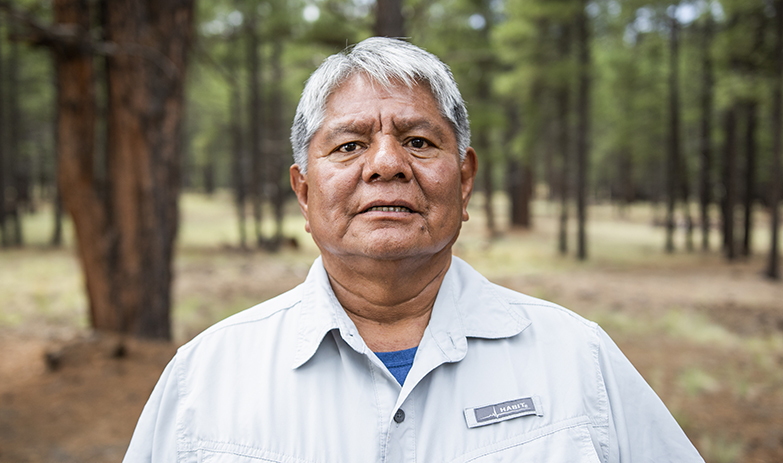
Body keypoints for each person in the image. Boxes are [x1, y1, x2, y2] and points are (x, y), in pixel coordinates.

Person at [124, 37, 704, 463]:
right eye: (349, 145)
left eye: (419, 141)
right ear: (304, 192)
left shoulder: (578, 360)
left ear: (465, 180)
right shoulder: (204, 379)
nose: (386, 164)